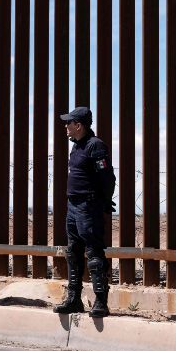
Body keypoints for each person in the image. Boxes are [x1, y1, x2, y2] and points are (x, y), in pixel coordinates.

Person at [53, 107, 117, 318]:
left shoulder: (95, 145)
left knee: (94, 253)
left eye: (69, 123)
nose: (66, 126)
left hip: (88, 207)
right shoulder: (76, 146)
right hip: (73, 206)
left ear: (78, 125)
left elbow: (107, 177)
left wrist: (104, 201)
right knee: (73, 252)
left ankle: (100, 301)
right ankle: (74, 299)